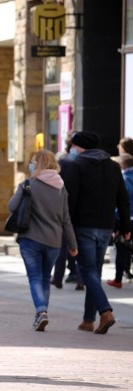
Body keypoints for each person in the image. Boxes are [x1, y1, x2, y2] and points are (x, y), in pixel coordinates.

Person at [61, 130, 130, 334]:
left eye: (73, 146)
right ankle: (88, 320)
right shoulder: (113, 166)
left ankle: (105, 311)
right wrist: (125, 228)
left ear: (78, 146)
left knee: (88, 271)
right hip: (106, 226)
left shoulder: (76, 165)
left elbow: (70, 199)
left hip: (83, 226)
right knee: (94, 272)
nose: (72, 149)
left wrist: (68, 227)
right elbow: (122, 199)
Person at [8, 150, 78, 331]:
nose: (30, 165)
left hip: (30, 239)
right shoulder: (61, 187)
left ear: (38, 164)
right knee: (45, 278)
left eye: (32, 162)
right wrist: (73, 244)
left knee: (35, 278)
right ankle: (41, 314)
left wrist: (20, 190)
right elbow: (66, 219)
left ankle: (41, 311)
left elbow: (11, 206)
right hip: (54, 241)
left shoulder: (28, 184)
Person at [51, 136, 85, 290]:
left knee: (62, 245)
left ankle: (58, 277)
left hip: (63, 208)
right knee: (79, 245)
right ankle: (80, 279)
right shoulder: (84, 164)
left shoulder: (62, 163)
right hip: (80, 210)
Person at [106, 152, 133, 289]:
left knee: (122, 248)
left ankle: (118, 279)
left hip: (125, 218)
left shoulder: (123, 178)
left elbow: (122, 201)